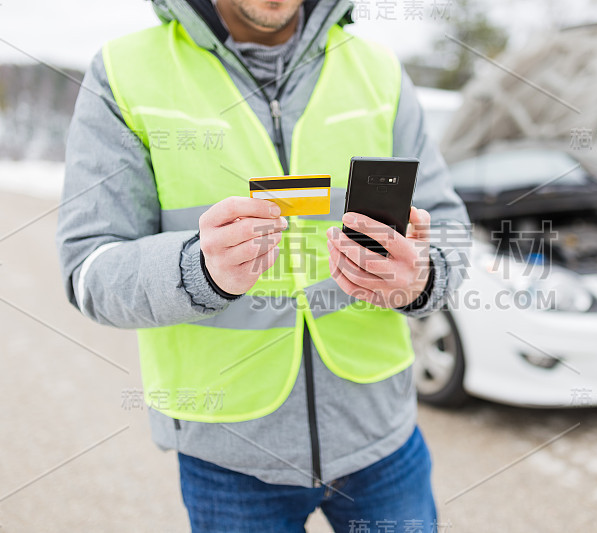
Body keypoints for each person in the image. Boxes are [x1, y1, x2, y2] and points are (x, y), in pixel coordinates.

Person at [56, 0, 471, 530]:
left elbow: (453, 233)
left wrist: (421, 277)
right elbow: (87, 271)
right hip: (229, 458)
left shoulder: (380, 71)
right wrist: (196, 270)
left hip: (382, 441)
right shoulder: (123, 73)